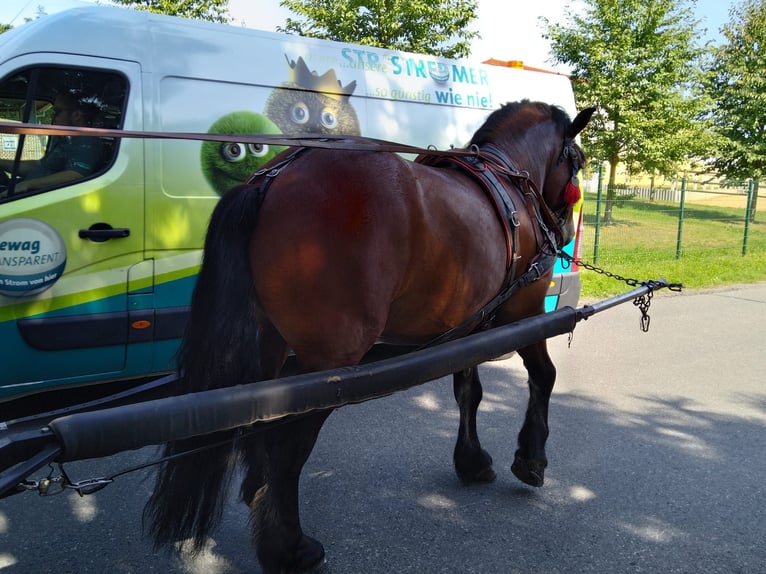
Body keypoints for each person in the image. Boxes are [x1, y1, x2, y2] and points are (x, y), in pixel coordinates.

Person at [0, 92, 102, 194]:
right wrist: (2, 163)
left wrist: (28, 184)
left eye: (57, 111)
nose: (52, 117)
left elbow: (75, 175)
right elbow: (39, 165)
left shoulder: (87, 142)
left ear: (77, 115)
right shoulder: (65, 140)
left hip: (43, 197)